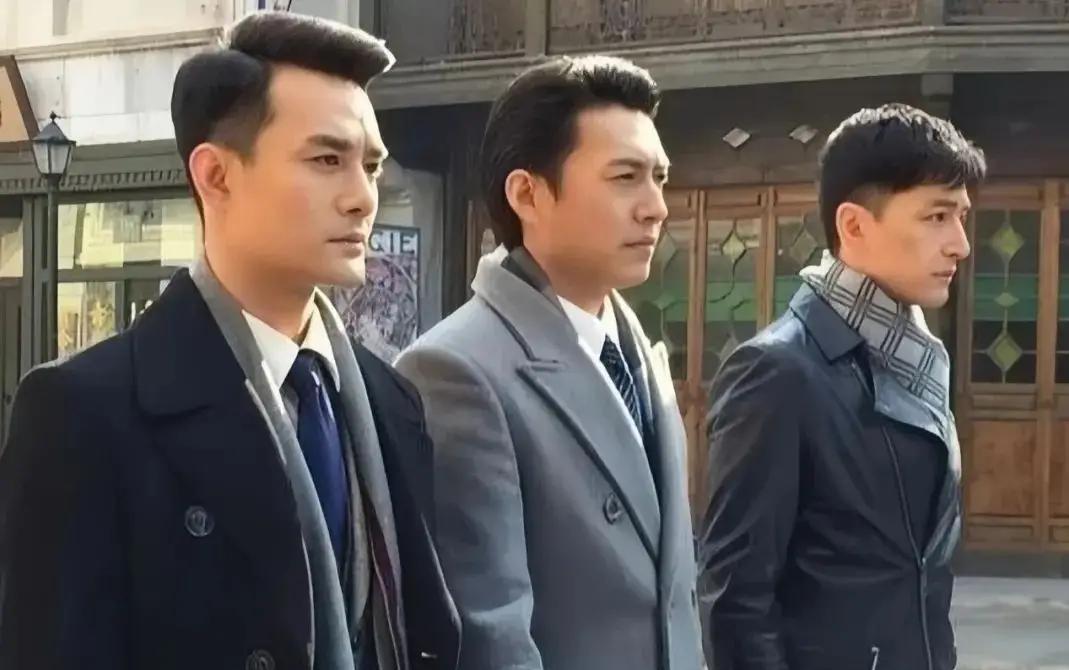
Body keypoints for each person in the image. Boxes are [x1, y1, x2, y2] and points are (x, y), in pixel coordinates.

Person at [0, 11, 458, 670]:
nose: (362, 197)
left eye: (370, 165)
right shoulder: (84, 414)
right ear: (216, 176)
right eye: (326, 160)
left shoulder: (391, 401)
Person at [395, 55, 703, 670]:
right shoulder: (456, 371)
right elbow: (492, 639)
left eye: (659, 178)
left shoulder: (633, 351)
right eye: (625, 177)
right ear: (527, 194)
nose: (655, 207)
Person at [698, 104, 986, 670]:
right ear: (853, 225)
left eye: (961, 217)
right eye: (936, 216)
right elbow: (735, 601)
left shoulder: (918, 360)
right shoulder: (777, 372)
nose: (961, 244)